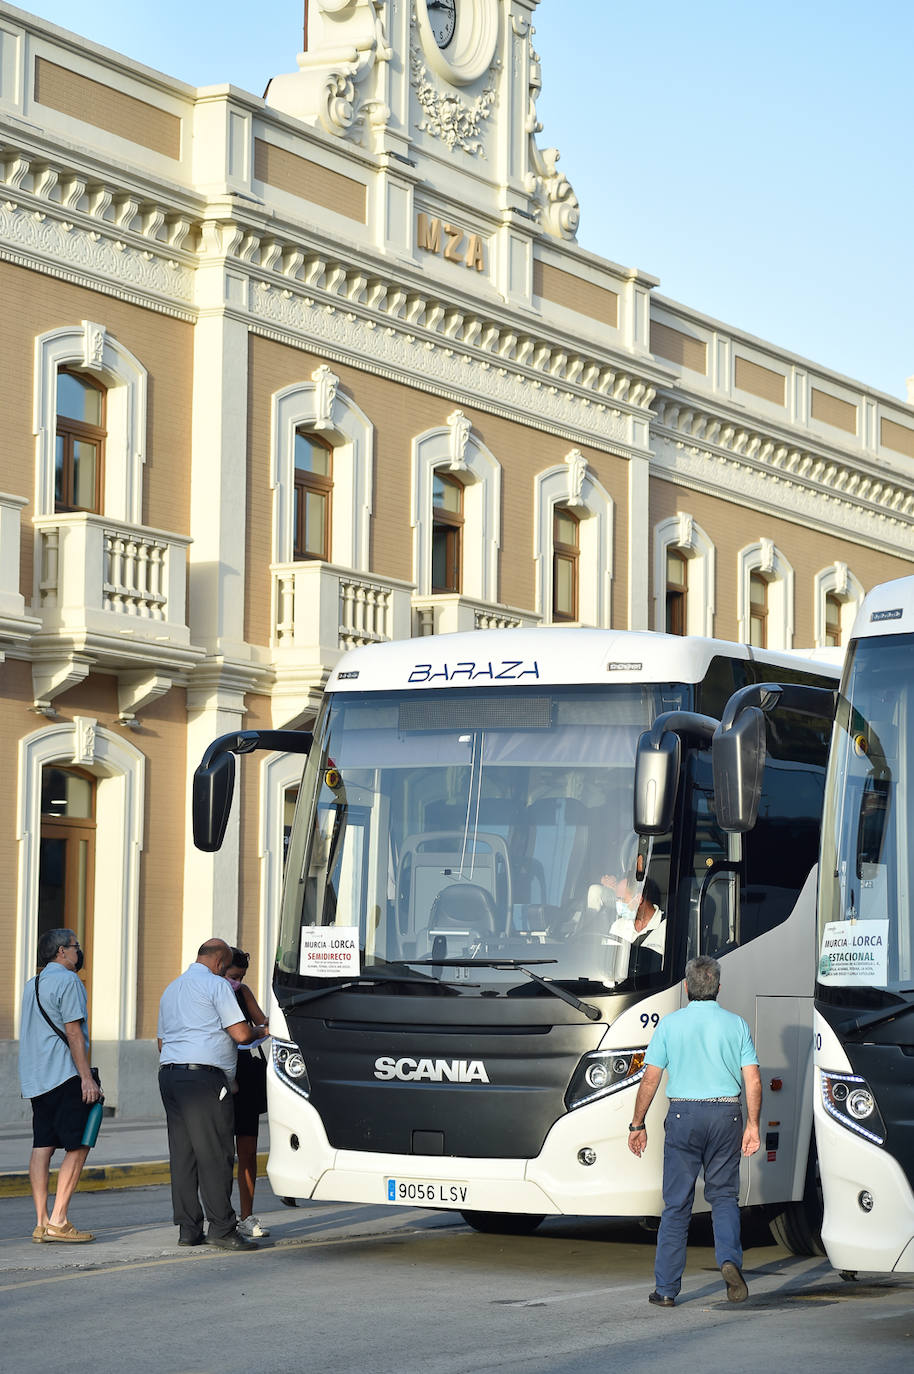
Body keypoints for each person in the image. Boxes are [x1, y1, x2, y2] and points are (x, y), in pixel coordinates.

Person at [627, 955, 762, 1307]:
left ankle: (667, 1290)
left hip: (685, 1114)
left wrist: (637, 1124)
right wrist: (752, 1124)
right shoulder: (737, 1025)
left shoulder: (670, 1026)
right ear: (718, 987)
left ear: (686, 987)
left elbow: (650, 1079)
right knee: (723, 1198)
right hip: (726, 1114)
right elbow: (753, 1079)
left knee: (676, 1205)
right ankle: (729, 1259)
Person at [157, 938, 269, 1251]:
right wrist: (264, 1031)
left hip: (170, 1075)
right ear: (220, 961)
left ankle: (188, 1228)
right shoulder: (217, 986)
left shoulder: (172, 989)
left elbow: (161, 1042)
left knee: (184, 1156)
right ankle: (222, 1227)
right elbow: (242, 1033)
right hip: (205, 1080)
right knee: (216, 1155)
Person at [18, 927, 103, 1244]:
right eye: (75, 947)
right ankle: (59, 1219)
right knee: (79, 1144)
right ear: (61, 952)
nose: (78, 952)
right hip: (65, 1075)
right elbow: (74, 1032)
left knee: (42, 1146)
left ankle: (41, 1222)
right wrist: (86, 1077)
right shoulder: (69, 981)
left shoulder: (33, 984)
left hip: (36, 1078)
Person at [224, 948, 270, 1239]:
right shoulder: (210, 992)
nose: (237, 982)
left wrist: (260, 1030)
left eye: (241, 977)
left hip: (247, 1073)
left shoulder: (242, 993)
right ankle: (220, 1216)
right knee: (219, 1153)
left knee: (248, 1152)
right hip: (218, 1076)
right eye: (233, 976)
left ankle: (246, 1215)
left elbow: (263, 1023)